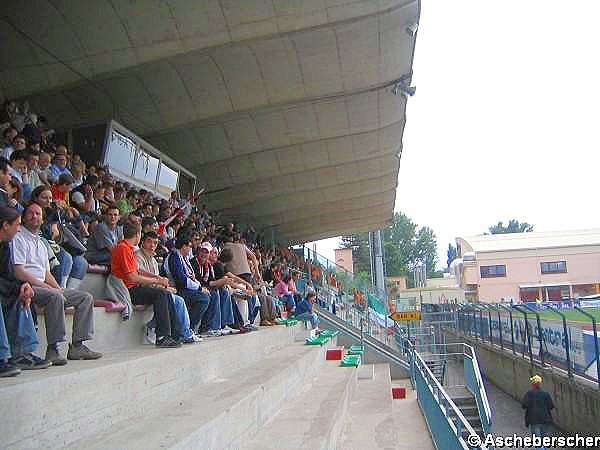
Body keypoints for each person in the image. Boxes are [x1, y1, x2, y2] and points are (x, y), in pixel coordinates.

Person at [11, 202, 102, 365]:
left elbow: (46, 272)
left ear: (42, 219)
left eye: (38, 214)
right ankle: (53, 349)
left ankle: (77, 346)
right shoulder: (18, 238)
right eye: (31, 213)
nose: (34, 216)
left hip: (44, 287)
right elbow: (19, 272)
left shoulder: (41, 242)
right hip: (27, 286)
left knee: (85, 298)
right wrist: (51, 289)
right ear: (23, 217)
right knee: (56, 297)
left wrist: (58, 287)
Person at [112, 221, 180, 348]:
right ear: (138, 235)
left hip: (134, 287)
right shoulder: (123, 248)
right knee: (160, 294)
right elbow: (133, 277)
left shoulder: (128, 248)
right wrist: (157, 281)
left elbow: (138, 269)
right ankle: (162, 336)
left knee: (165, 294)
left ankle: (175, 334)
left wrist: (158, 277)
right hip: (128, 289)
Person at [0, 206, 51, 374]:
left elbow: (7, 276)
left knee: (22, 296)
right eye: (17, 225)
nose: (18, 229)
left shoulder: (5, 246)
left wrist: (23, 286)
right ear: (6, 225)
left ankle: (22, 354)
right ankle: (2, 357)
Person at [135, 232, 201, 344]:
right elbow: (143, 280)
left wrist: (165, 287)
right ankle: (178, 333)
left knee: (177, 299)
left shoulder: (154, 261)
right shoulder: (137, 257)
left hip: (155, 290)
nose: (152, 245)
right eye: (149, 241)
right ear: (142, 242)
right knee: (172, 298)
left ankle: (180, 333)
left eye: (155, 243)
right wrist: (165, 288)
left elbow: (157, 281)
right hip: (141, 290)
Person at [163, 232, 210, 335]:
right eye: (189, 246)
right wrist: (199, 288)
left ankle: (208, 327)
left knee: (209, 295)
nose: (190, 249)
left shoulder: (184, 258)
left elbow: (191, 277)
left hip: (183, 288)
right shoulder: (174, 257)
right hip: (176, 289)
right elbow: (182, 280)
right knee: (203, 298)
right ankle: (188, 329)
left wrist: (201, 287)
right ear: (183, 246)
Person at [191, 242, 238, 336]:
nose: (204, 254)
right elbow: (200, 281)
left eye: (206, 252)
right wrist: (221, 282)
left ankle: (222, 325)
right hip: (195, 288)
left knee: (223, 291)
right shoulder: (194, 262)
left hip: (204, 287)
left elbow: (211, 281)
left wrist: (222, 282)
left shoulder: (208, 266)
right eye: (202, 251)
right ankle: (210, 327)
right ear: (199, 251)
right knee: (214, 293)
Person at [522, 375, 554, 444]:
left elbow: (524, 405)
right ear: (540, 384)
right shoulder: (545, 394)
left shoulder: (529, 394)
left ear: (533, 384)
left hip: (534, 420)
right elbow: (551, 406)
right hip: (545, 420)